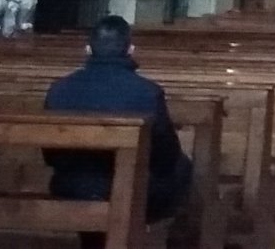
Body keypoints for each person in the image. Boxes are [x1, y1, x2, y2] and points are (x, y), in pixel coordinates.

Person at [43, 15, 192, 242]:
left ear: (88, 50)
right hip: (133, 192)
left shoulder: (59, 90)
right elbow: (165, 155)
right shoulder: (147, 92)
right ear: (130, 50)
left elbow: (51, 156)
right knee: (182, 168)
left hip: (71, 188)